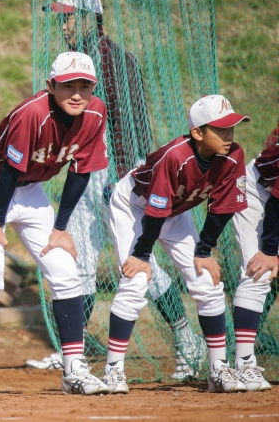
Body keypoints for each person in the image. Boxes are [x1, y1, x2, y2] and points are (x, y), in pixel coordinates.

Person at [26, 0, 206, 380]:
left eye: (68, 16)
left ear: (91, 18)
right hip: (89, 174)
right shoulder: (79, 61)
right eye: (61, 18)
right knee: (80, 262)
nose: (63, 25)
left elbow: (131, 125)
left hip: (117, 174)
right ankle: (71, 348)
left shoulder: (112, 60)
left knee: (139, 262)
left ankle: (185, 340)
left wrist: (122, 177)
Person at [0, 51, 110, 396]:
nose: (77, 93)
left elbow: (80, 171)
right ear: (50, 85)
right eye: (68, 85)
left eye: (84, 86)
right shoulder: (32, 113)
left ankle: (73, 370)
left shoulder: (96, 112)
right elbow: (10, 170)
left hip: (32, 191)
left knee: (65, 272)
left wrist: (60, 228)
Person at [100, 95, 249, 394]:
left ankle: (218, 369)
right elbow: (155, 211)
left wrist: (204, 251)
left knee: (207, 281)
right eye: (220, 129)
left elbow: (223, 208)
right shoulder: (175, 157)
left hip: (176, 211)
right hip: (134, 206)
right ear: (197, 133)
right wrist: (142, 254)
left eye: (231, 127)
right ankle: (113, 371)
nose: (229, 135)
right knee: (136, 280)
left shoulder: (234, 156)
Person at [229, 143, 279, 391]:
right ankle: (244, 363)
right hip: (257, 191)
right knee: (258, 272)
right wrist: (270, 252)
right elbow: (276, 204)